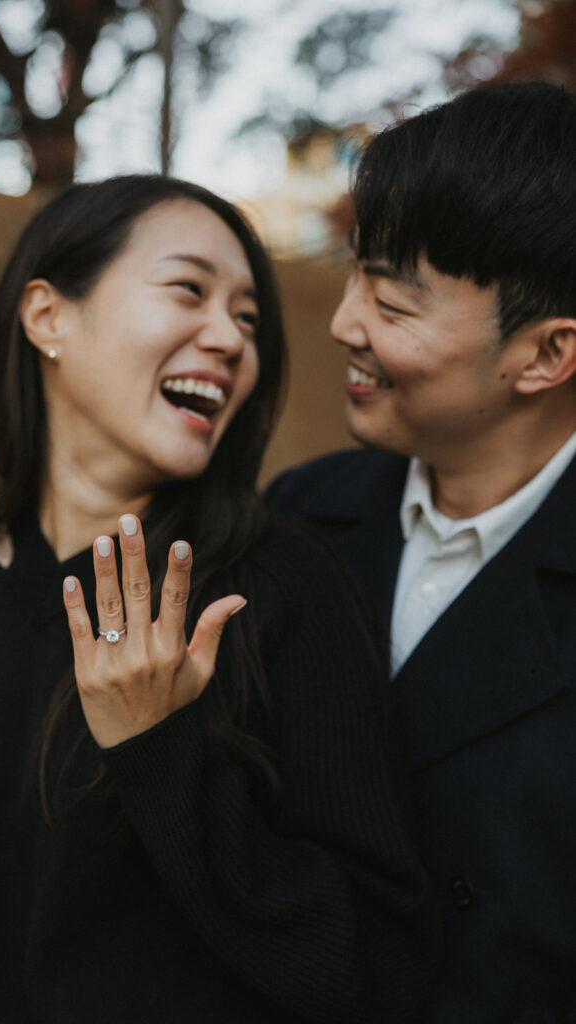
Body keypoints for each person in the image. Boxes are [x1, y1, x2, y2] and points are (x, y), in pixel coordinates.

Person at [0, 175, 437, 1023]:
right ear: (47, 317)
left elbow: (373, 962)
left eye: (249, 319)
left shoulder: (282, 584)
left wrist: (160, 748)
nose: (228, 338)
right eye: (188, 289)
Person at [267, 81, 576, 1023]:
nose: (343, 324)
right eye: (353, 272)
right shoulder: (297, 516)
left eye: (394, 303)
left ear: (543, 355)